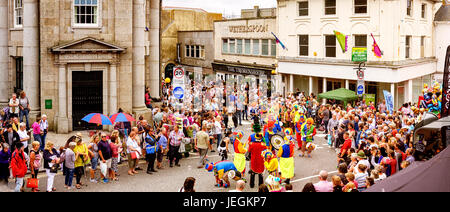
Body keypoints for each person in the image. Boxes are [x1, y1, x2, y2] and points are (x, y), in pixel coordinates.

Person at [247, 122, 267, 188]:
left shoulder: (252, 143)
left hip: (253, 158)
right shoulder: (263, 144)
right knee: (260, 172)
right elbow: (265, 149)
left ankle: (251, 184)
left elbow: (249, 150)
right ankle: (260, 184)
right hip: (261, 159)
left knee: (253, 171)